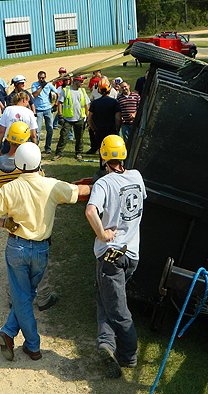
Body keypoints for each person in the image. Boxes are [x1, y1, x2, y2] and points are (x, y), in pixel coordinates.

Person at [0, 142, 91, 361]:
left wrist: (4, 224)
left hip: (16, 247)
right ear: (39, 162)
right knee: (27, 295)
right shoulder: (51, 185)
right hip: (41, 249)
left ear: (18, 164)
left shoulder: (10, 188)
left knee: (22, 296)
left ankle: (17, 337)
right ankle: (24, 341)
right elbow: (80, 192)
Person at [85, 135, 146, 378]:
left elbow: (91, 211)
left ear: (103, 157)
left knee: (117, 306)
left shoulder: (103, 183)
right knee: (106, 298)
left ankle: (128, 354)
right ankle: (106, 344)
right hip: (132, 254)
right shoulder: (137, 176)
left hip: (110, 256)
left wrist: (102, 233)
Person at [0, 121, 58, 312]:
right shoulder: (29, 166)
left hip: (12, 218)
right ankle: (43, 297)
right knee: (40, 259)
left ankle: (13, 298)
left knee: (15, 264)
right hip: (33, 217)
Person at [52, 75, 89, 161]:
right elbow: (60, 103)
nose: (82, 84)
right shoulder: (66, 90)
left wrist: (87, 118)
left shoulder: (83, 91)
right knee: (63, 137)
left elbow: (86, 105)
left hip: (80, 118)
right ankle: (59, 153)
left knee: (79, 137)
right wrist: (60, 115)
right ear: (76, 81)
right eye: (81, 82)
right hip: (67, 119)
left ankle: (78, 153)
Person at [0, 92, 38, 157]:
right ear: (24, 100)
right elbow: (33, 134)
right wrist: (35, 148)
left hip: (9, 142)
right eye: (28, 101)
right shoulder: (29, 112)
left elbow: (1, 131)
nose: (28, 104)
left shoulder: (7, 110)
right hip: (24, 143)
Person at [86, 78, 121, 155]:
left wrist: (94, 129)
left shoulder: (95, 103)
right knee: (111, 151)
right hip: (111, 130)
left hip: (99, 130)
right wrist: (117, 129)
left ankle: (102, 165)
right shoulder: (114, 102)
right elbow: (118, 118)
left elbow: (89, 118)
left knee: (102, 152)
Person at [31, 71, 59, 154]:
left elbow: (57, 93)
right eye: (40, 78)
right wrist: (41, 87)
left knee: (50, 128)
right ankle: (36, 147)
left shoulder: (49, 85)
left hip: (48, 109)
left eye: (43, 78)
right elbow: (35, 94)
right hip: (38, 109)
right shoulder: (34, 85)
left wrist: (55, 104)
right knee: (38, 130)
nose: (41, 79)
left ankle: (48, 147)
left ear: (45, 78)